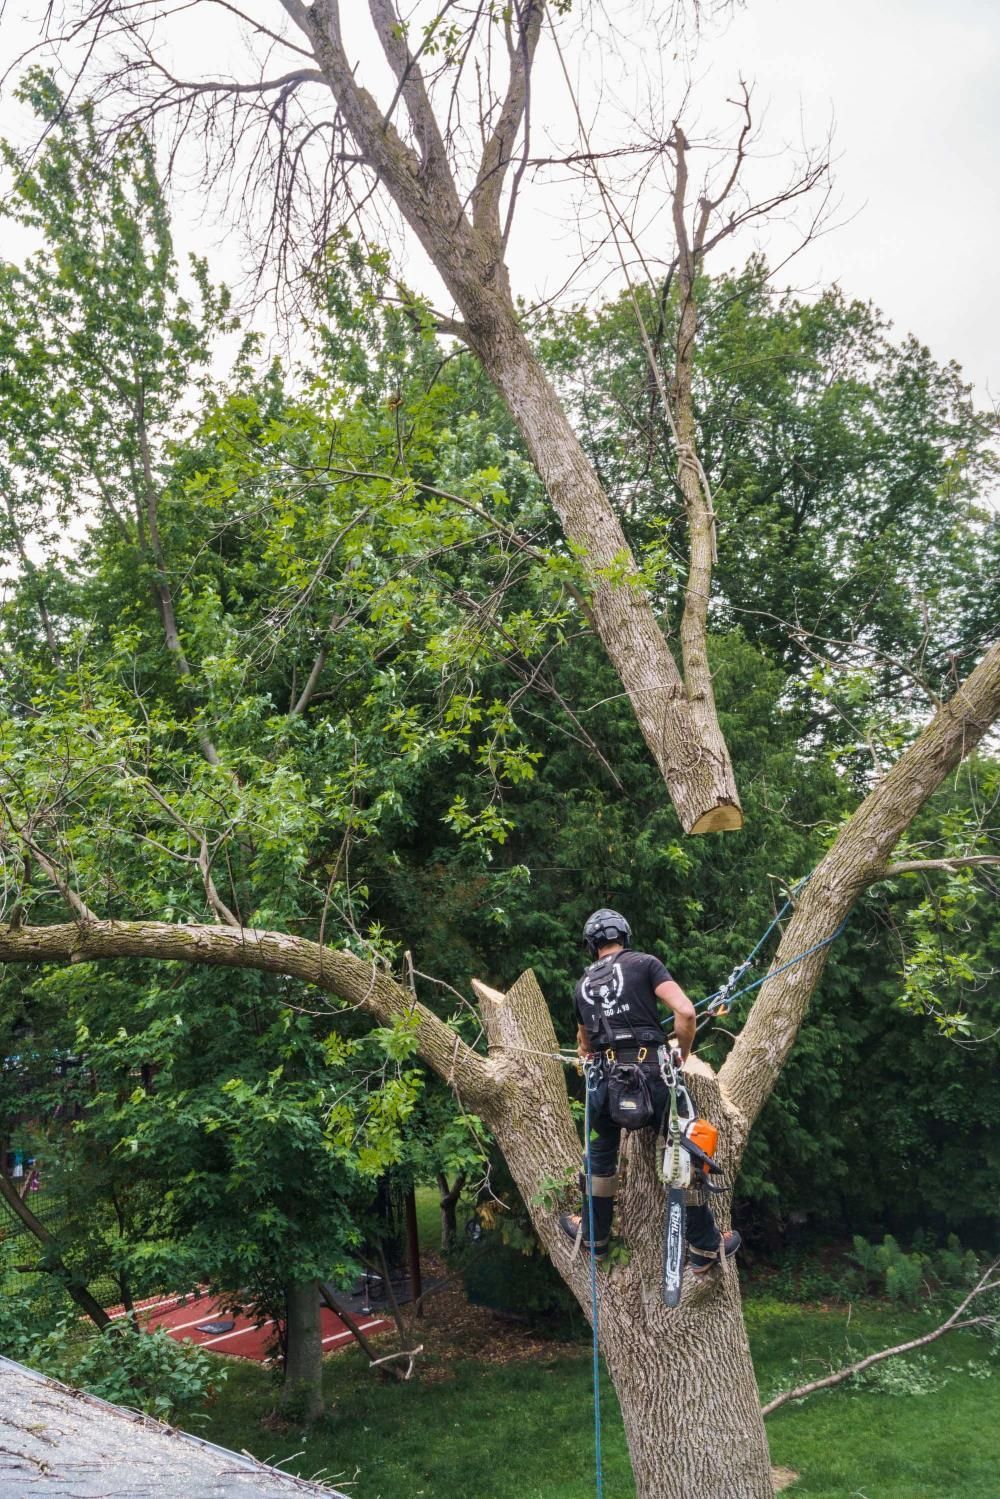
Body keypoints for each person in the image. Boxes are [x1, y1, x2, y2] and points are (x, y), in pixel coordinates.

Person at [558, 907, 741, 1273]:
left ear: (591, 945)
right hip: (655, 1075)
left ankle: (594, 1237)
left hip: (605, 1085)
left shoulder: (581, 986)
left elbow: (584, 1046)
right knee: (686, 1148)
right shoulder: (645, 964)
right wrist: (682, 1055)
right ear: (624, 935)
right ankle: (705, 1245)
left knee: (598, 1156)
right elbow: (686, 1013)